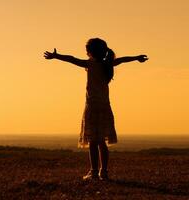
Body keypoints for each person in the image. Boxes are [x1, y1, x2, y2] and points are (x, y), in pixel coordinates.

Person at [44, 38, 148, 180]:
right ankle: (103, 172)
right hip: (105, 106)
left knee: (93, 141)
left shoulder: (90, 64)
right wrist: (136, 58)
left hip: (92, 106)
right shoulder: (107, 64)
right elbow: (123, 60)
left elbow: (72, 59)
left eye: (87, 50)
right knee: (102, 142)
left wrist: (56, 56)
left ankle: (93, 172)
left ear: (90, 52)